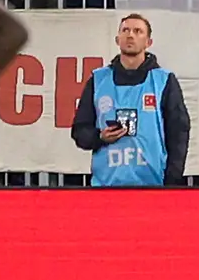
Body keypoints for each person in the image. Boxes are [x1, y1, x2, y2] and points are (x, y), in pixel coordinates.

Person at [67, 12, 187, 187]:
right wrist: (100, 137)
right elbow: (80, 131)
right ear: (117, 39)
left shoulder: (164, 81)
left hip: (153, 185)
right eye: (125, 30)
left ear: (148, 42)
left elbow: (179, 133)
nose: (130, 35)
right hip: (105, 185)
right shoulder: (98, 80)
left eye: (138, 31)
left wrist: (172, 180)